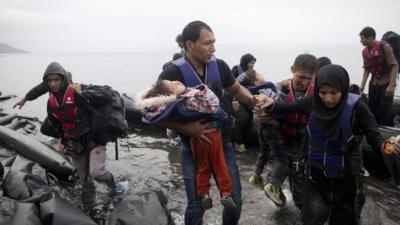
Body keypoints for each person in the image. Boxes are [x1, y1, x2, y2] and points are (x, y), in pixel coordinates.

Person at [255, 64, 400, 225]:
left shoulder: (357, 109)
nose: (328, 98)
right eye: (323, 93)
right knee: (310, 219)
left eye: (334, 93)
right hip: (316, 178)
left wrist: (389, 146)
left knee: (346, 219)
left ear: (343, 89)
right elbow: (286, 108)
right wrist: (269, 104)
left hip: (346, 180)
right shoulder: (312, 102)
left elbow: (376, 139)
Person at [157, 20, 257, 225]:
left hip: (223, 143)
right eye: (207, 43)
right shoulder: (172, 73)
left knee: (235, 201)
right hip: (191, 147)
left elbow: (236, 90)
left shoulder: (219, 66)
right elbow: (155, 113)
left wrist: (255, 101)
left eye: (214, 42)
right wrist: (187, 129)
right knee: (196, 206)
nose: (213, 48)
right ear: (189, 44)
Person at [39, 62, 127, 215]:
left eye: (58, 80)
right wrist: (61, 141)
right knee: (84, 180)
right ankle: (90, 207)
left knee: (96, 172)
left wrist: (86, 92)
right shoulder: (52, 102)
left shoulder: (82, 91)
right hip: (75, 143)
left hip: (94, 139)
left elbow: (109, 93)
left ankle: (116, 185)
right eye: (50, 81)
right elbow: (55, 124)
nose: (54, 84)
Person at [137, 80, 236, 210]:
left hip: (195, 140)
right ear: (169, 96)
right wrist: (202, 89)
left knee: (202, 167)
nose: (176, 82)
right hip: (212, 133)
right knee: (220, 164)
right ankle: (226, 194)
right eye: (173, 86)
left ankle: (204, 195)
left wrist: (176, 132)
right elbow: (212, 104)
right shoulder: (187, 99)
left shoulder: (171, 110)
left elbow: (172, 131)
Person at [254, 54, 318, 208]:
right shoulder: (277, 89)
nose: (304, 82)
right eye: (301, 77)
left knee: (299, 192)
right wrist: (259, 114)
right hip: (281, 139)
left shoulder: (317, 93)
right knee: (271, 184)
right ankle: (280, 202)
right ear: (292, 70)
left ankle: (300, 208)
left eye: (309, 79)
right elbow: (258, 112)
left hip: (302, 143)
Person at [13, 71, 73, 137]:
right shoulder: (50, 84)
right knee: (45, 129)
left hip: (72, 119)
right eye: (51, 80)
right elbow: (37, 90)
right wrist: (24, 100)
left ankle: (68, 139)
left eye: (57, 80)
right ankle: (62, 138)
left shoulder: (75, 91)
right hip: (56, 114)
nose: (53, 84)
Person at [359, 26, 399, 125]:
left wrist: (391, 85)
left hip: (386, 82)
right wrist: (362, 85)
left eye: (363, 38)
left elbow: (394, 65)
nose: (361, 41)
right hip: (374, 82)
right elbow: (367, 69)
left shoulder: (384, 47)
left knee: (384, 109)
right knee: (372, 107)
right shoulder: (364, 52)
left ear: (371, 37)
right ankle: (373, 127)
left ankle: (384, 131)